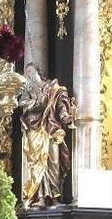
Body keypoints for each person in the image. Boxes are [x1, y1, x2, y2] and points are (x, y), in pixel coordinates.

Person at [19, 62, 76, 207]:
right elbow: (22, 102)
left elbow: (61, 105)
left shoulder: (54, 89)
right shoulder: (28, 91)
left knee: (53, 162)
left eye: (31, 72)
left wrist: (65, 116)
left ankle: (55, 198)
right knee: (37, 164)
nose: (29, 76)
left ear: (39, 73)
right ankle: (39, 198)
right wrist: (35, 101)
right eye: (27, 74)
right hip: (35, 130)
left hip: (50, 129)